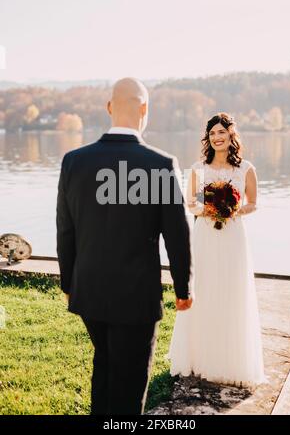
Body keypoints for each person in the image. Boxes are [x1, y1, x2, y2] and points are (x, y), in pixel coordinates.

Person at [56, 77, 193, 415]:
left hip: (88, 290)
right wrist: (183, 288)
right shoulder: (160, 164)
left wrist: (67, 284)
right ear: (145, 109)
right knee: (130, 386)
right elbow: (177, 234)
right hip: (135, 296)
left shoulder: (74, 161)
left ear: (108, 108)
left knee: (103, 366)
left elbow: (65, 230)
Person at [168, 113, 265, 388]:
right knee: (204, 289)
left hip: (233, 235)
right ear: (208, 138)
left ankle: (231, 360)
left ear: (231, 135)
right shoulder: (199, 169)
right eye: (212, 134)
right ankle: (199, 358)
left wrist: (234, 210)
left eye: (221, 132)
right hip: (205, 234)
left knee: (232, 291)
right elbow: (190, 202)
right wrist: (208, 209)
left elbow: (253, 203)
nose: (217, 138)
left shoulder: (245, 169)